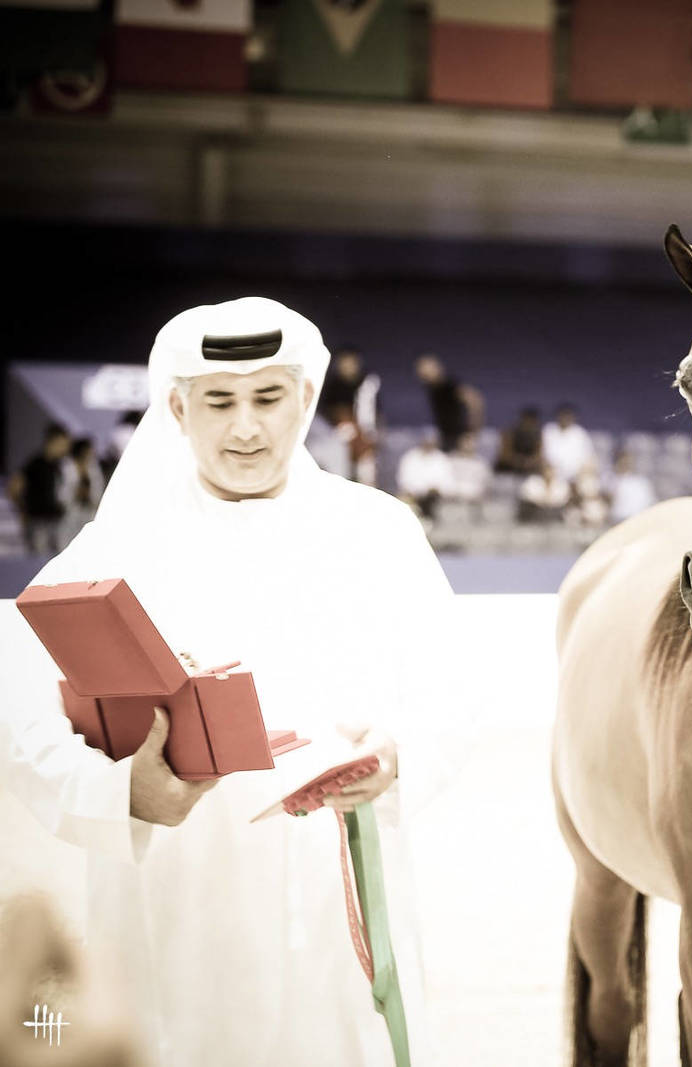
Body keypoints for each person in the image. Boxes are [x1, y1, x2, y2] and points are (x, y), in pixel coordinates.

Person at [0, 297, 455, 1067]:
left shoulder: (378, 531)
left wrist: (398, 748)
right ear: (178, 407)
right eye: (219, 401)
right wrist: (117, 792)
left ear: (306, 398)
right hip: (173, 902)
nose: (247, 427)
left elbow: (450, 684)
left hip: (330, 901)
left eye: (269, 397)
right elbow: (17, 701)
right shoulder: (111, 549)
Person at [8, 424, 72, 555]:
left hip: (55, 521)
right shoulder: (35, 463)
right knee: (38, 562)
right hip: (38, 522)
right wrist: (22, 510)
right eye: (64, 443)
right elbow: (13, 487)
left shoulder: (58, 466)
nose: (66, 448)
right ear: (54, 441)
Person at [414, 353, 474, 451]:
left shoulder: (449, 385)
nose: (423, 375)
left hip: (461, 439)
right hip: (446, 438)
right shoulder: (432, 390)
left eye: (425, 371)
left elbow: (473, 401)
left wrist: (471, 434)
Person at [395, 429, 454, 519]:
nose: (428, 444)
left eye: (431, 441)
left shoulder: (442, 459)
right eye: (426, 441)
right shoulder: (410, 457)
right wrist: (415, 492)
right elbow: (404, 480)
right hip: (413, 497)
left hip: (435, 498)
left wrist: (435, 489)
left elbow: (447, 483)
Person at [540, 403, 595, 484]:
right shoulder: (548, 430)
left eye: (568, 416)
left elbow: (589, 457)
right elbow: (540, 452)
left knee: (589, 484)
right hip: (550, 474)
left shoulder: (580, 433)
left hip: (576, 476)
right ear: (558, 416)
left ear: (573, 417)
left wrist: (580, 474)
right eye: (563, 415)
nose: (565, 418)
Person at [493, 407, 544, 475]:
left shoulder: (537, 436)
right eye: (527, 421)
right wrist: (519, 461)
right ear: (522, 420)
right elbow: (504, 456)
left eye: (532, 422)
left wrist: (530, 461)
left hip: (526, 474)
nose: (529, 425)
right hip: (506, 473)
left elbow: (539, 456)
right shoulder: (510, 433)